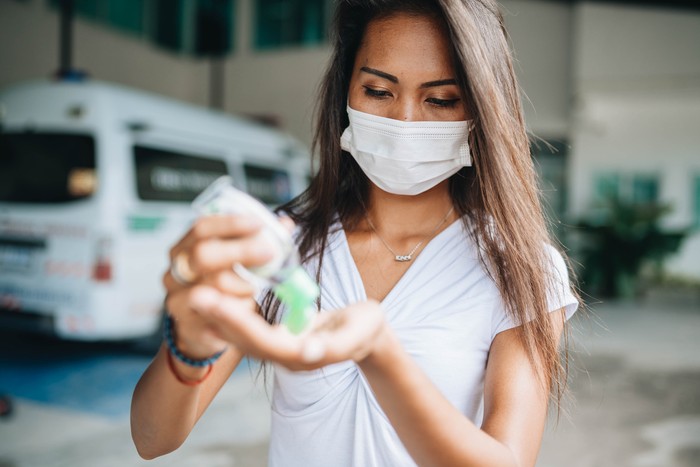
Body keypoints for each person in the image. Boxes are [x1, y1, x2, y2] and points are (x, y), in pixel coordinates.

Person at [130, 1, 579, 466]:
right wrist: (189, 347)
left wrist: (378, 354)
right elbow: (151, 439)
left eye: (441, 99)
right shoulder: (286, 245)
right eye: (379, 91)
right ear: (346, 94)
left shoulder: (521, 268)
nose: (404, 121)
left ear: (481, 111)